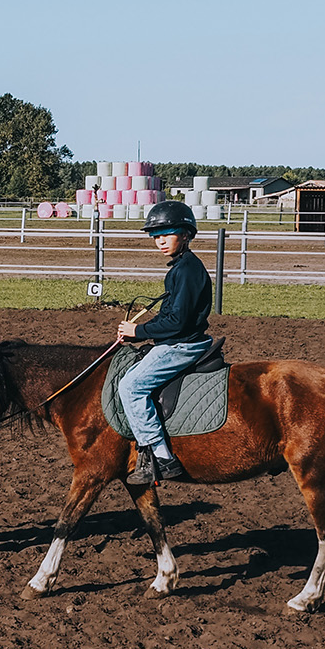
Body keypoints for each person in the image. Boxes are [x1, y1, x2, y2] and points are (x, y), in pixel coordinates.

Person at [115, 201, 214, 484]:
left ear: (185, 234)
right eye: (155, 236)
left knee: (130, 387)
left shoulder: (186, 271)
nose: (160, 241)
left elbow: (178, 323)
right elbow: (170, 314)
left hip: (183, 345)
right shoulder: (181, 267)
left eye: (167, 234)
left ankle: (161, 457)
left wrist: (139, 331)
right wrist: (141, 330)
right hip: (177, 340)